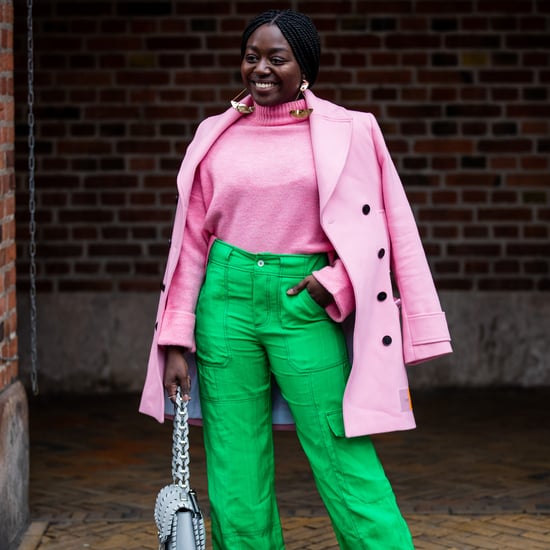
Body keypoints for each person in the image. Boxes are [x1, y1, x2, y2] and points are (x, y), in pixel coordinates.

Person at [140, 9, 452, 550]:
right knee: (235, 468)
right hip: (224, 301)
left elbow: (382, 227)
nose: (260, 68)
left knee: (342, 452)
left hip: (303, 303)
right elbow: (191, 243)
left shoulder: (351, 130)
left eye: (276, 58)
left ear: (303, 66)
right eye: (252, 56)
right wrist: (174, 340)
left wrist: (334, 284)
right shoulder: (214, 134)